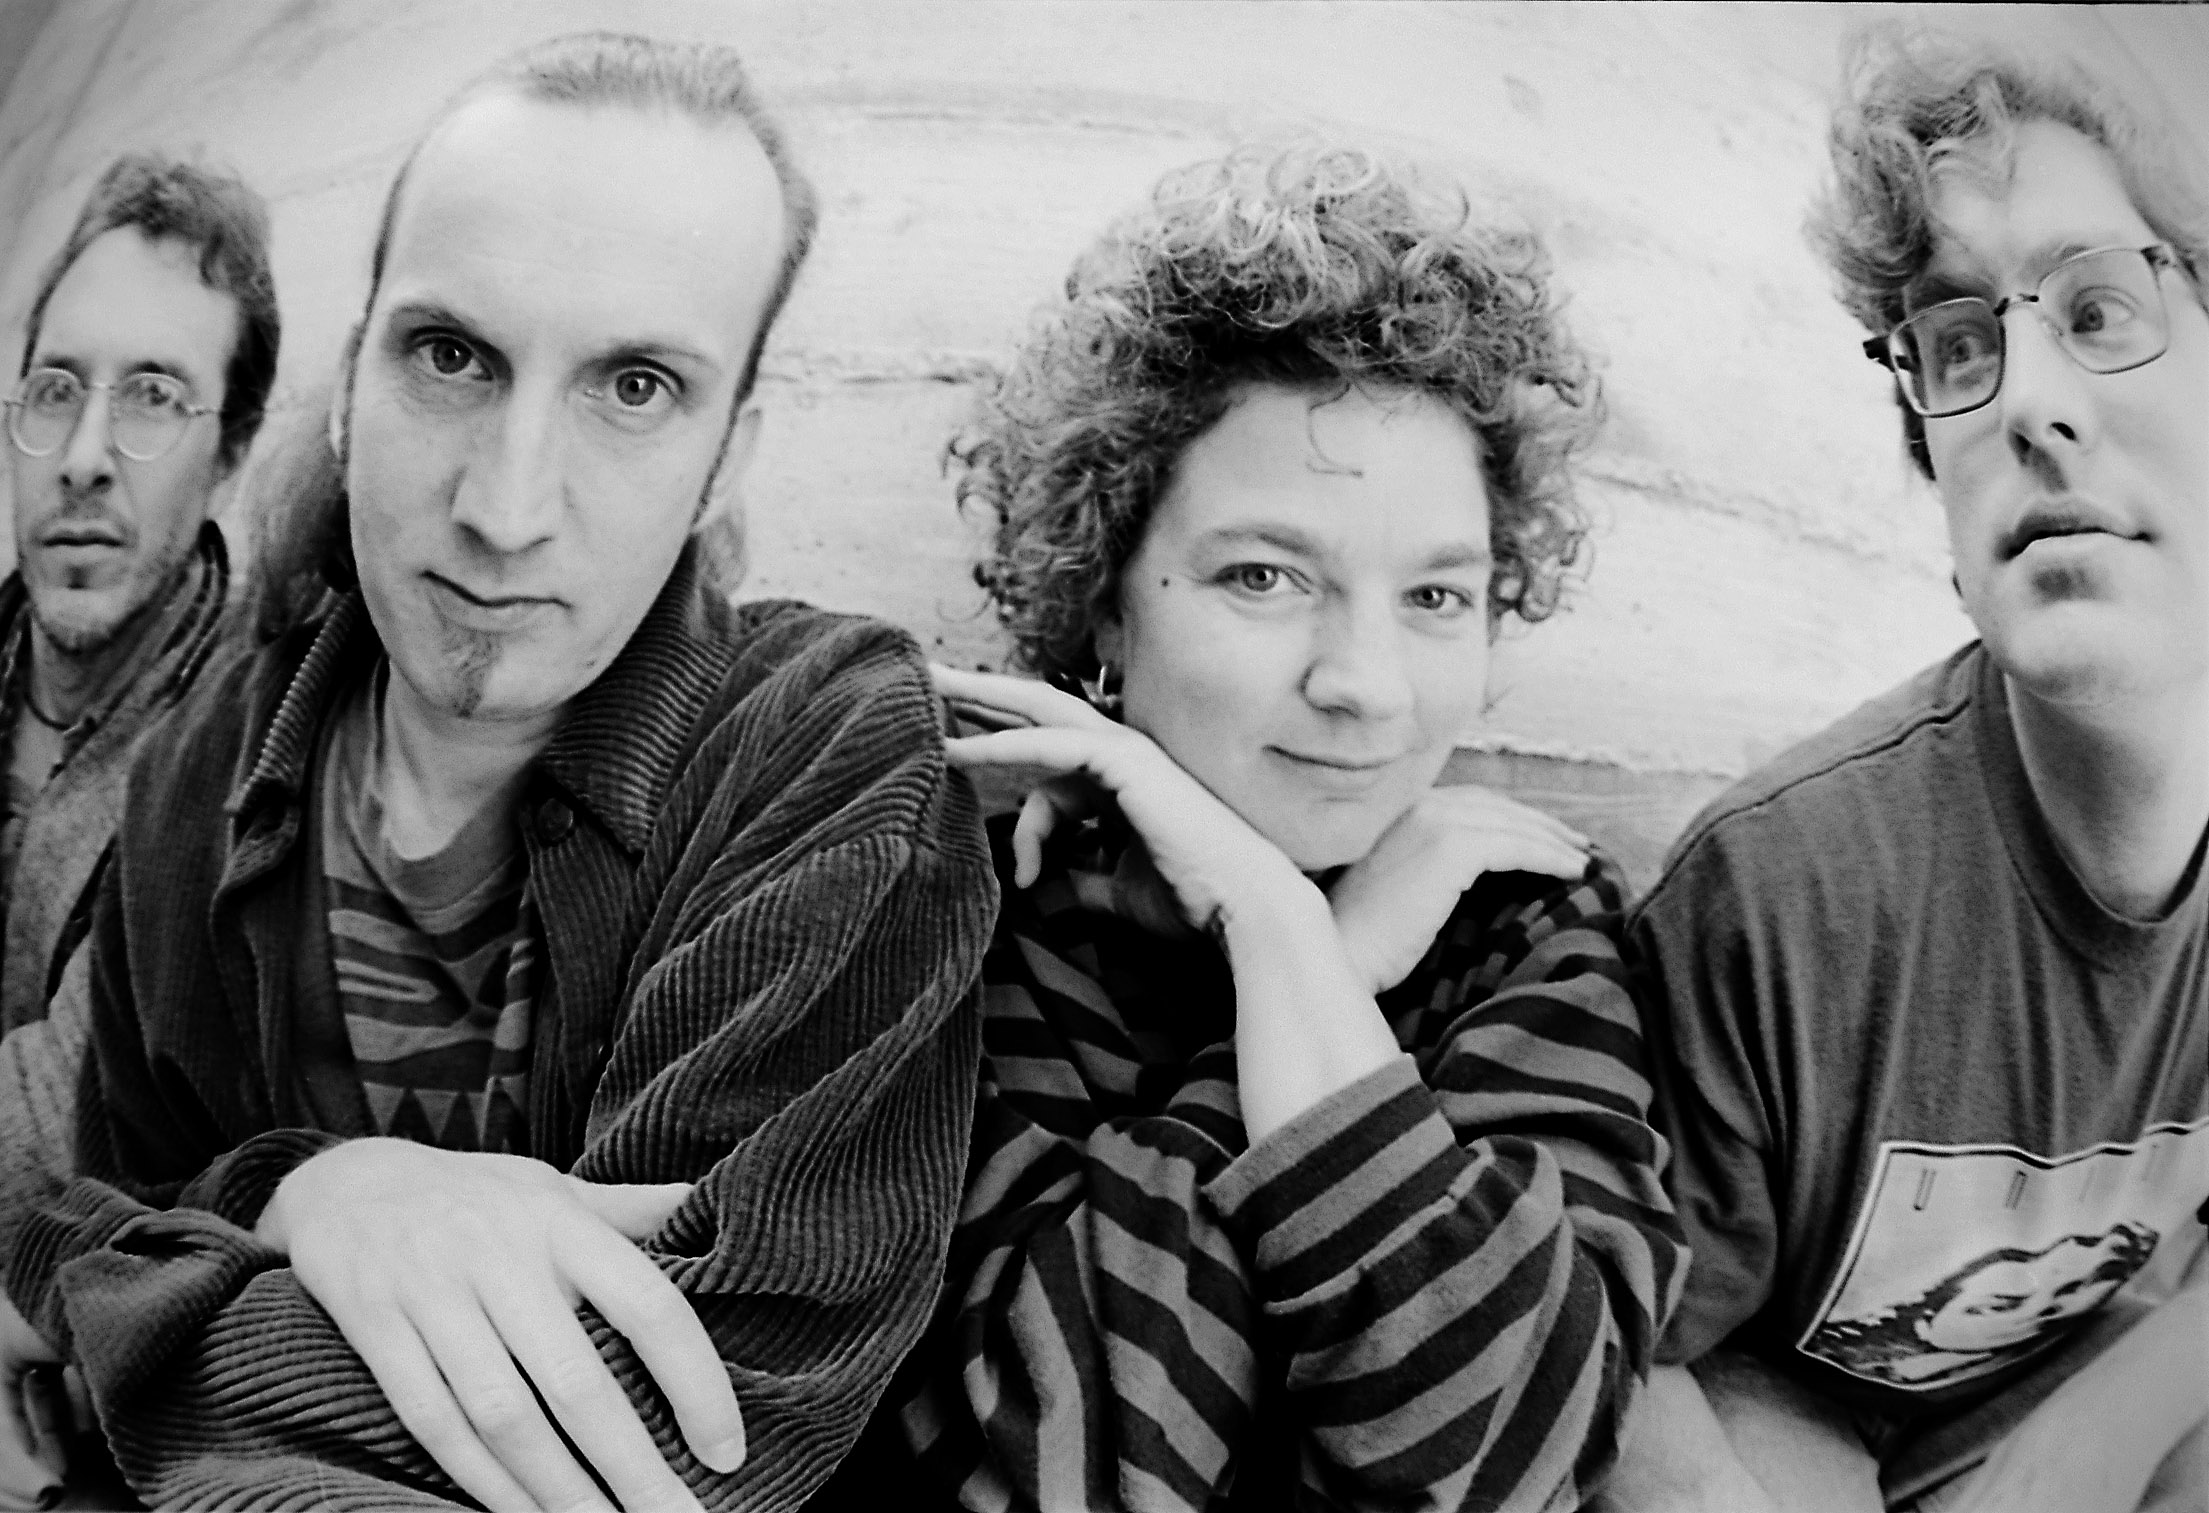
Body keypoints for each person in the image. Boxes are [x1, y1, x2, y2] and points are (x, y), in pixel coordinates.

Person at [0, 32, 996, 1513]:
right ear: (352, 386)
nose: (506, 508)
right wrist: (309, 1188)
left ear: (726, 461)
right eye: (451, 357)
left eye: (636, 386)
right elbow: (90, 1227)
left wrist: (130, 1357)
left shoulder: (829, 758)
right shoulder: (191, 779)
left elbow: (693, 1432)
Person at [869, 142, 1687, 1512]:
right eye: (1264, 576)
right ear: (1106, 599)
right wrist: (1305, 950)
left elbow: (1502, 1450)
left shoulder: (1524, 920)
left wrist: (1285, 961)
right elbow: (1058, 1471)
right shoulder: (977, 934)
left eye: (1434, 597)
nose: (1363, 685)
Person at [1604, 24, 2207, 1513]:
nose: (2023, 402)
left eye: (2102, 307)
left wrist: (2109, 1422)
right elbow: (1621, 1354)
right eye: (1958, 344)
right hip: (1784, 1400)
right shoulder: (1782, 896)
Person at [0, 152, 276, 1511]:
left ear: (230, 452)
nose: (84, 455)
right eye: (56, 389)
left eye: (151, 397)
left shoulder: (247, 748)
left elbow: (52, 1131)